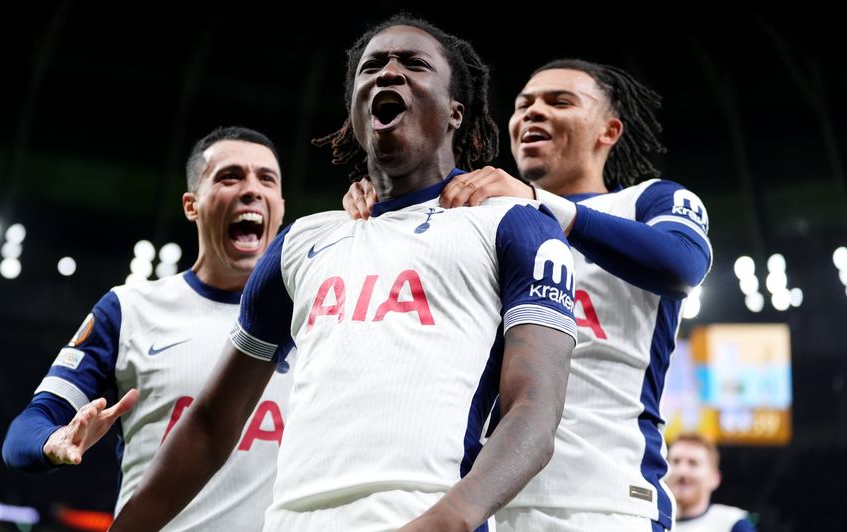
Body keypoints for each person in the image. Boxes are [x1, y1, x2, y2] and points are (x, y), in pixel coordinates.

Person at [111, 15, 577, 532]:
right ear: (356, 113)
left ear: (454, 112)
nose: (388, 73)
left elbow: (534, 411)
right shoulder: (303, 241)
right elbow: (211, 425)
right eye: (372, 66)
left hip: (423, 513)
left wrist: (447, 521)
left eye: (414, 64)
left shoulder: (514, 226)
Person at [345, 59, 712, 531]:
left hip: (606, 503)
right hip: (484, 503)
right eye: (523, 105)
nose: (533, 112)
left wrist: (542, 204)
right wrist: (381, 203)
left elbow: (682, 264)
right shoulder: (482, 215)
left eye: (559, 102)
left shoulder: (647, 201)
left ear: (609, 130)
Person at [2, 126, 291, 531]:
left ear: (280, 205)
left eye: (266, 179)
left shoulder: (312, 316)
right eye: (230, 176)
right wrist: (53, 442)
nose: (251, 189)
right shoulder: (129, 309)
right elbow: (24, 432)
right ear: (192, 205)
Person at [666, 433, 758, 531]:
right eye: (675, 461)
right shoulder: (653, 521)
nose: (682, 471)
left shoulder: (732, 524)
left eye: (693, 463)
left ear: (714, 478)